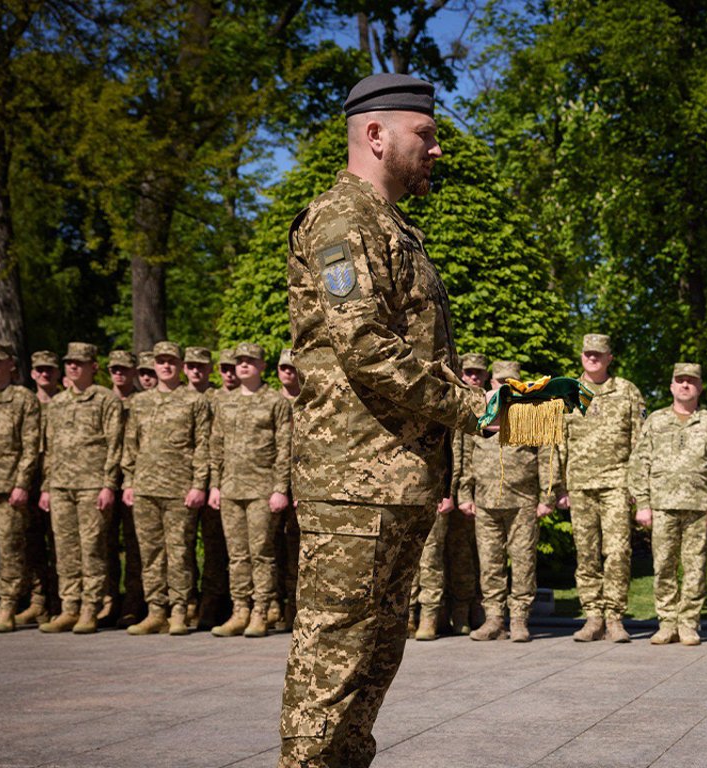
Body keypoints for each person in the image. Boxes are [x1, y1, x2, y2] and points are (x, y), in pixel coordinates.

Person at [277, 72, 487, 767]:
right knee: (332, 666)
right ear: (376, 135)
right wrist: (471, 408)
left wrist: (500, 398)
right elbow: (364, 347)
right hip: (353, 487)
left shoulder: (395, 227)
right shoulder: (345, 219)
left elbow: (409, 348)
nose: (435, 150)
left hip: (394, 483)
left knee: (370, 667)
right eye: (424, 135)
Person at [463, 360, 560, 643]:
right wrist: (464, 495)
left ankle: (519, 620)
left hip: (523, 502)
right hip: (485, 501)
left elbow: (547, 456)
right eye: (500, 382)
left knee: (523, 562)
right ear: (491, 383)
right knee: (490, 564)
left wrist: (548, 496)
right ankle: (494, 620)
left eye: (511, 383)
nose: (505, 387)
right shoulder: (479, 411)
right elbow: (466, 457)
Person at [121, 341, 212, 636]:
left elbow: (203, 446)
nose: (165, 366)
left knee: (179, 553)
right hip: (145, 487)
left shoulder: (193, 401)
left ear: (181, 366)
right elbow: (130, 445)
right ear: (154, 364)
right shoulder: (140, 402)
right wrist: (129, 481)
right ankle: (155, 610)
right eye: (161, 361)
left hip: (179, 489)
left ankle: (179, 610)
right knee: (150, 554)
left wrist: (199, 485)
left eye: (171, 361)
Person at [630, 363, 707, 647]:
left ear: (700, 387)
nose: (685, 385)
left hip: (699, 507)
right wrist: (643, 504)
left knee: (695, 568)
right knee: (664, 567)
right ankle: (667, 621)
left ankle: (688, 624)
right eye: (680, 380)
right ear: (671, 386)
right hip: (662, 506)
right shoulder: (656, 421)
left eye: (691, 381)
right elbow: (639, 463)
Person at [561, 333, 645, 644]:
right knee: (586, 554)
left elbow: (639, 442)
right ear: (581, 355)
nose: (592, 358)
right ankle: (593, 617)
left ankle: (614, 618)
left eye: (599, 354)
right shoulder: (569, 391)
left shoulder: (627, 392)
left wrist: (637, 485)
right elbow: (558, 443)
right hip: (580, 484)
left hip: (616, 484)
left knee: (618, 552)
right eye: (588, 353)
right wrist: (557, 487)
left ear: (610, 358)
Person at [37, 343, 123, 635]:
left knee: (92, 549)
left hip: (91, 485)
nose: (73, 367)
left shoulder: (105, 400)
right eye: (69, 363)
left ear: (93, 367)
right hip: (61, 485)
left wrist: (108, 484)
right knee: (65, 549)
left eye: (80, 363)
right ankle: (69, 606)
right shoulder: (58, 403)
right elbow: (48, 449)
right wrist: (47, 486)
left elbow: (115, 445)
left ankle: (91, 608)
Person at [208, 342, 291, 638]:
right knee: (237, 555)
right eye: (240, 361)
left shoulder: (274, 402)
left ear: (261, 366)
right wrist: (214, 485)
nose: (243, 365)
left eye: (250, 361)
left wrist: (281, 488)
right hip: (230, 488)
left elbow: (285, 448)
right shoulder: (224, 402)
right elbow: (215, 445)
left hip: (262, 488)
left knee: (262, 554)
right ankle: (239, 609)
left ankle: (261, 611)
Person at [410, 352, 488, 641]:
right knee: (425, 556)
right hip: (434, 491)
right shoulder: (439, 398)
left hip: (460, 495)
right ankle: (423, 615)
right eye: (468, 372)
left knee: (460, 558)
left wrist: (457, 493)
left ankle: (455, 614)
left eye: (478, 373)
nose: (473, 378)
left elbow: (465, 457)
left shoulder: (477, 405)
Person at [0, 340, 39, 633]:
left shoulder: (23, 399)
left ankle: (7, 607)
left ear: (10, 365)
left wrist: (22, 483)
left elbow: (31, 447)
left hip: (8, 488)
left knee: (10, 548)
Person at [15, 350, 62, 625]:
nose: (45, 374)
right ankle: (37, 601)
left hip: (58, 482)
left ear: (58, 374)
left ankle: (59, 603)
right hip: (27, 482)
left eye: (50, 370)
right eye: (40, 370)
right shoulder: (24, 402)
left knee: (60, 545)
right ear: (32, 373)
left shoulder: (65, 404)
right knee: (30, 543)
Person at [187, 345, 228, 629]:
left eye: (201, 366)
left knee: (215, 549)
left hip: (213, 482)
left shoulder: (219, 398)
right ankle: (186, 604)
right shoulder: (172, 398)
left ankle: (212, 606)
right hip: (179, 482)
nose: (196, 370)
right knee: (181, 549)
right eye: (191, 365)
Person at [107, 349, 145, 628]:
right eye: (114, 369)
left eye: (124, 369)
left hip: (134, 483)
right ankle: (108, 602)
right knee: (104, 547)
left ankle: (133, 604)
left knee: (136, 548)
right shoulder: (101, 400)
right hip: (101, 483)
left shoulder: (142, 403)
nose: (119, 374)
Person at [274, 348, 301, 630]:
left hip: (299, 488)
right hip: (272, 487)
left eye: (293, 368)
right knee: (273, 550)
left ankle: (294, 609)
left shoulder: (310, 399)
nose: (289, 373)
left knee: (296, 550)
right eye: (284, 368)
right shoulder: (271, 402)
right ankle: (276, 606)